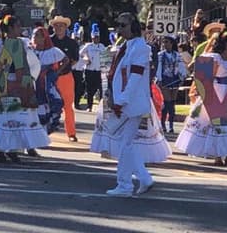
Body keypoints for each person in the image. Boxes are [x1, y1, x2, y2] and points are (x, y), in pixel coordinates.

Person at [0, 15, 49, 162]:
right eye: (17, 26)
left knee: (16, 117)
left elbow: (31, 63)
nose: (20, 29)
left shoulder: (22, 44)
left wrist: (28, 79)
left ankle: (13, 149)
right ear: (10, 28)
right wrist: (1, 66)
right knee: (1, 117)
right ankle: (1, 149)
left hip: (18, 83)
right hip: (1, 84)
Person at [101, 12, 160, 196]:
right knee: (125, 143)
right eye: (118, 25)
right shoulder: (127, 46)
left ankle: (126, 184)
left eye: (123, 25)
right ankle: (141, 179)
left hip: (130, 102)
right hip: (125, 101)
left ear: (133, 27)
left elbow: (135, 77)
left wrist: (122, 100)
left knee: (124, 143)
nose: (119, 29)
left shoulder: (140, 48)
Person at [175, 32, 227, 166]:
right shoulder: (215, 58)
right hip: (216, 91)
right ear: (226, 44)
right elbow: (203, 77)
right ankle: (217, 155)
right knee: (215, 123)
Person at [48, 16, 79, 141]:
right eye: (57, 25)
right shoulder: (49, 41)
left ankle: (71, 133)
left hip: (65, 77)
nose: (59, 28)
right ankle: (46, 130)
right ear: (53, 27)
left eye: (62, 26)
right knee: (48, 104)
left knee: (67, 106)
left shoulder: (71, 43)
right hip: (50, 77)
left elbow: (75, 59)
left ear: (66, 27)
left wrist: (62, 69)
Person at [155, 35, 187, 137]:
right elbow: (158, 67)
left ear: (172, 44)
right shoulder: (160, 55)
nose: (165, 44)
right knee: (167, 102)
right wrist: (159, 79)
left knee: (172, 104)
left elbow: (181, 66)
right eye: (164, 42)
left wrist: (182, 76)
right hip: (165, 80)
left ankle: (171, 125)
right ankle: (163, 123)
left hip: (174, 79)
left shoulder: (177, 55)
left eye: (167, 42)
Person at [80, 25, 109, 112]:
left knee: (101, 90)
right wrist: (86, 58)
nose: (96, 39)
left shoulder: (102, 46)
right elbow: (80, 54)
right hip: (90, 71)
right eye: (95, 37)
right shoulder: (88, 46)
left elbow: (106, 56)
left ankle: (101, 107)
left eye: (97, 37)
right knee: (89, 90)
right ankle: (90, 106)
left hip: (99, 71)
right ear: (92, 37)